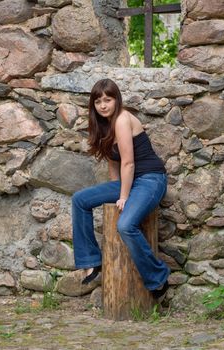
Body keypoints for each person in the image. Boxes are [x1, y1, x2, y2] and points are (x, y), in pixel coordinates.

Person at [71, 78, 170, 299]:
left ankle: (158, 277)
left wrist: (123, 196)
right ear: (93, 105)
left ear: (117, 100)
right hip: (130, 180)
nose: (103, 105)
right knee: (80, 199)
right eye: (98, 102)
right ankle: (91, 261)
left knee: (125, 225)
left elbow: (128, 163)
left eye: (108, 100)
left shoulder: (123, 120)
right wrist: (117, 189)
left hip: (151, 179)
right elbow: (113, 163)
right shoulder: (103, 125)